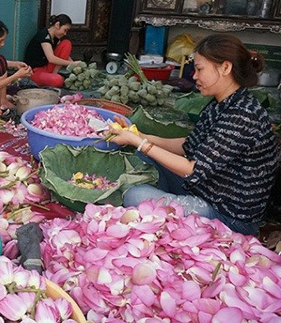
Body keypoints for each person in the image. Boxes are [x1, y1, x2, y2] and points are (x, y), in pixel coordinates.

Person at [108, 34, 280, 236]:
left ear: (225, 68)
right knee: (141, 155)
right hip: (203, 188)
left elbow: (192, 169)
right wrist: (136, 135)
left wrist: (140, 142)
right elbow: (187, 146)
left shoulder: (242, 116)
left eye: (200, 69)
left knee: (135, 196)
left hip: (228, 216)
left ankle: (164, 205)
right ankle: (165, 204)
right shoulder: (221, 103)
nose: (194, 76)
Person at [24, 14, 80, 88]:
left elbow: (63, 55)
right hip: (35, 71)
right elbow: (51, 58)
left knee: (66, 43)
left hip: (47, 67)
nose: (65, 33)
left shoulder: (55, 38)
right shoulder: (44, 35)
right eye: (65, 30)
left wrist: (76, 66)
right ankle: (52, 76)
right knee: (58, 80)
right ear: (57, 25)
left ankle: (54, 73)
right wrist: (72, 64)